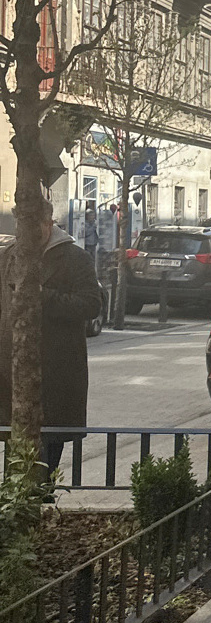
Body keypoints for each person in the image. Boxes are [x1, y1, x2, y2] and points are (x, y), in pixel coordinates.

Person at [0, 193, 104, 469]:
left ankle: (40, 494)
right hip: (11, 375)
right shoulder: (9, 256)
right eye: (20, 226)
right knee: (15, 461)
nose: (25, 234)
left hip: (55, 374)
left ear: (48, 223)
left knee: (44, 461)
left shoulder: (74, 257)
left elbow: (91, 305)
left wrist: (42, 296)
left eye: (32, 226)